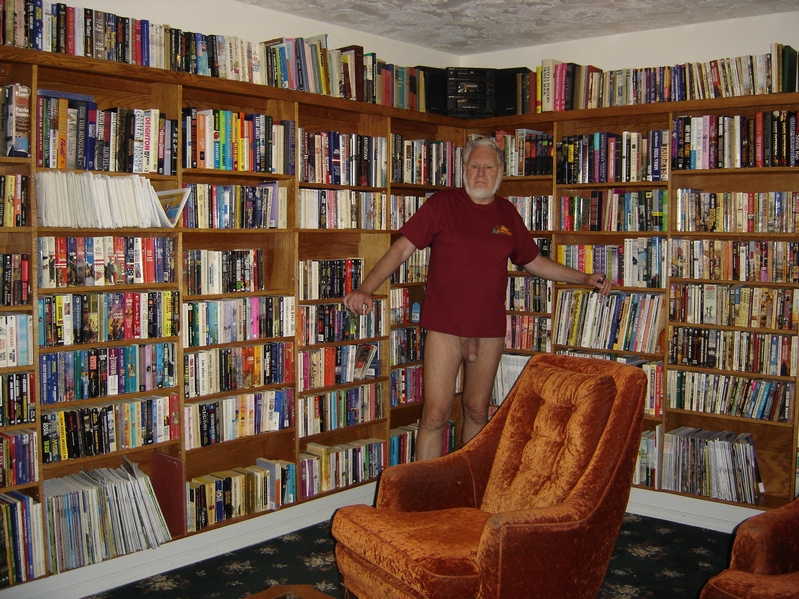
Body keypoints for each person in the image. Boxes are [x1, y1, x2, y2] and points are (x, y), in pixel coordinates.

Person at [342, 136, 611, 460]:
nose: (480, 173)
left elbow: (534, 262)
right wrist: (366, 288)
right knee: (434, 415)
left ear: (500, 172)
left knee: (477, 410)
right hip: (444, 328)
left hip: (488, 330)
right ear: (463, 169)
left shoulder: (507, 213)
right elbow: (402, 249)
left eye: (488, 167)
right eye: (474, 166)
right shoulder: (442, 204)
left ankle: (466, 486)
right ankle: (422, 489)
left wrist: (584, 278)